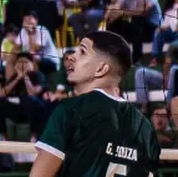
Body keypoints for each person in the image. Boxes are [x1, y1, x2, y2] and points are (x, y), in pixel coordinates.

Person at [31, 31, 161, 177]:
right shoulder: (145, 127)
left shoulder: (70, 110)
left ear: (101, 69)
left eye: (82, 52)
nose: (71, 57)